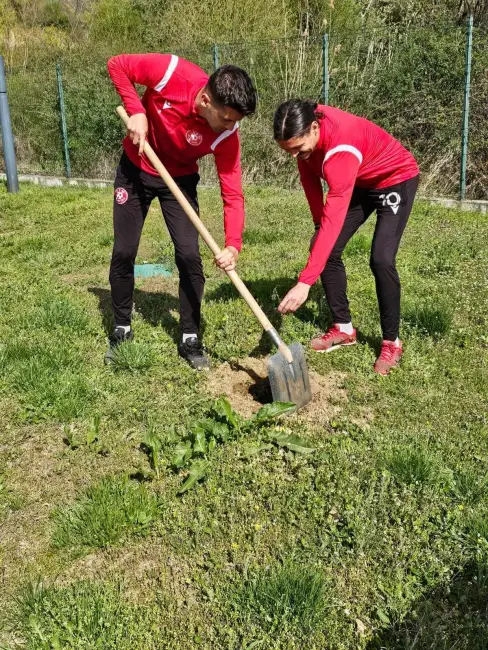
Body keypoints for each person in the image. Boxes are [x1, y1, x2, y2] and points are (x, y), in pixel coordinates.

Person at [106, 53, 257, 369]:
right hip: (135, 170)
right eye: (227, 118)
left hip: (180, 180)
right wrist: (137, 112)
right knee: (124, 251)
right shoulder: (172, 73)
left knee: (189, 256)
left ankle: (190, 336)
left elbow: (232, 192)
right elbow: (117, 64)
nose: (232, 126)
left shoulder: (227, 133)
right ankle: (121, 328)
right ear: (205, 100)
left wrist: (233, 244)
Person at [273, 99, 419, 375]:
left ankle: (391, 342)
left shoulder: (341, 149)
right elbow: (310, 182)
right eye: (287, 151)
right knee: (324, 245)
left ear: (314, 128)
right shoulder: (305, 139)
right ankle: (343, 328)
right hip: (359, 180)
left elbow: (335, 215)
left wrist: (305, 282)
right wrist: (318, 225)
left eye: (297, 148)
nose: (293, 155)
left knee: (381, 258)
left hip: (393, 178)